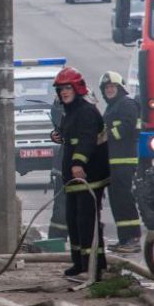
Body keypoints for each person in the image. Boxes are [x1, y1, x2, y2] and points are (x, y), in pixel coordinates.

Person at [50, 67, 109, 280]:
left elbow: (86, 140)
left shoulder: (86, 111)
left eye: (67, 88)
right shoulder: (71, 111)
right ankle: (79, 263)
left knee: (87, 221)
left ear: (77, 88)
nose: (64, 92)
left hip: (89, 177)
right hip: (74, 178)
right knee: (73, 220)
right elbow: (69, 133)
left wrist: (77, 162)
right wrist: (57, 135)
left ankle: (93, 265)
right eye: (60, 89)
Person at [100, 71, 142, 253]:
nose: (109, 90)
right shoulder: (112, 106)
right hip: (113, 162)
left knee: (124, 200)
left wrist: (107, 132)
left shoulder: (126, 104)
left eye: (112, 87)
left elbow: (127, 127)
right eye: (106, 88)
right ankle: (124, 239)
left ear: (120, 88)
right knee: (117, 201)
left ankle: (133, 239)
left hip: (124, 161)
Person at [47, 98, 68, 240]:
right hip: (64, 168)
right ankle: (56, 240)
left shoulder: (87, 113)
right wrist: (56, 135)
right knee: (61, 207)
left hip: (83, 171)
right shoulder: (59, 106)